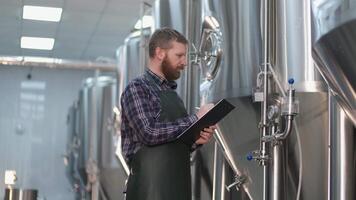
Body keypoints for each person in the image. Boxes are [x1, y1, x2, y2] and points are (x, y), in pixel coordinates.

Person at [120, 27, 216, 200]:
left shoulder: (173, 95)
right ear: (160, 53)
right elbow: (149, 133)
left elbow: (172, 143)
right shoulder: (137, 88)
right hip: (148, 191)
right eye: (179, 55)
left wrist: (194, 139)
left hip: (178, 189)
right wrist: (195, 119)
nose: (185, 62)